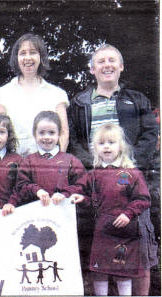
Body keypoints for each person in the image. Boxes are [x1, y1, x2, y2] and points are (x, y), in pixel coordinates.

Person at [67, 44, 159, 295]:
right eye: (101, 61)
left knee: (140, 253)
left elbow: (150, 134)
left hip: (129, 184)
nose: (107, 65)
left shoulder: (137, 99)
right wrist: (96, 166)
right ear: (92, 69)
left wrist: (127, 166)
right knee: (100, 252)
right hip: (97, 185)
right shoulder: (79, 102)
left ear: (121, 66)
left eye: (112, 61)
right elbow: (74, 140)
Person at [70, 124, 153, 296]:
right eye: (101, 143)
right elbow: (87, 196)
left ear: (120, 146)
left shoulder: (132, 173)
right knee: (99, 271)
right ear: (95, 148)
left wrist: (128, 213)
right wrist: (80, 198)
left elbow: (143, 198)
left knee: (124, 273)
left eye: (111, 142)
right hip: (102, 230)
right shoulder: (93, 174)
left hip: (125, 231)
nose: (106, 146)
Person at [0, 33, 69, 156]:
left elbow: (63, 133)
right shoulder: (0, 94)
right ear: (16, 58)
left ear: (41, 57)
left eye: (33, 52)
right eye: (22, 53)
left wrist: (56, 162)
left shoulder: (57, 94)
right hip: (13, 165)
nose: (28, 58)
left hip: (46, 165)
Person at [16, 111, 85, 206]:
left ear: (59, 134)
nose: (46, 137)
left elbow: (82, 185)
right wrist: (37, 191)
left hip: (64, 213)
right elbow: (21, 185)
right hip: (36, 214)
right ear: (34, 134)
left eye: (51, 133)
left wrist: (65, 194)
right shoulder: (28, 161)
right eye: (41, 133)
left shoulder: (71, 161)